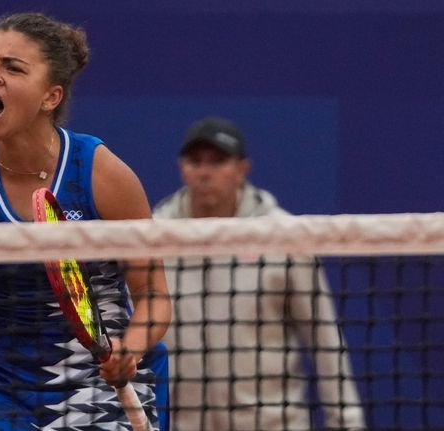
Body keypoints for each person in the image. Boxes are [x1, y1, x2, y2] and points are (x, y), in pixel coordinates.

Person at [0, 12, 171, 431]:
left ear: (50, 96)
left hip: (99, 381)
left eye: (12, 67)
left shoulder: (100, 173)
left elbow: (154, 294)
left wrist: (129, 350)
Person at [153, 116, 365, 430]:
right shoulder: (154, 237)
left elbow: (324, 341)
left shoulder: (284, 237)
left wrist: (347, 423)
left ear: (242, 169)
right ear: (182, 168)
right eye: (195, 161)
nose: (205, 172)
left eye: (218, 161)